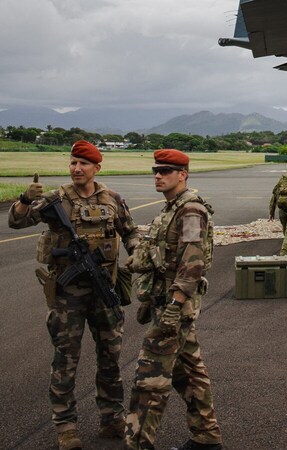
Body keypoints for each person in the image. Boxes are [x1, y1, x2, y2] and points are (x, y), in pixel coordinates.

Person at [8, 140, 140, 450]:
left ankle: (111, 419)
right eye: (72, 162)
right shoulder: (56, 200)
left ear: (97, 167)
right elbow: (16, 222)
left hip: (103, 290)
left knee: (110, 359)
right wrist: (25, 199)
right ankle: (66, 426)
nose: (76, 168)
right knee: (65, 361)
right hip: (68, 296)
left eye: (83, 163)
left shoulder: (113, 199)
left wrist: (136, 253)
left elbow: (130, 230)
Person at [124, 149, 222, 450]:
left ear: (183, 174)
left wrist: (174, 305)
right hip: (167, 303)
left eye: (166, 170)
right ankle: (206, 437)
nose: (158, 175)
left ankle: (138, 443)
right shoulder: (171, 208)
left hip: (174, 307)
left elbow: (193, 262)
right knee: (188, 372)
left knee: (149, 378)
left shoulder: (190, 211)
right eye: (156, 169)